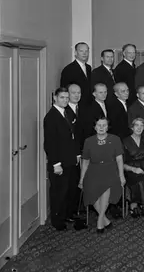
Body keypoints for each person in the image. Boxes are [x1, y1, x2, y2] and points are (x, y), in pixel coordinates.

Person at [79, 116, 125, 233]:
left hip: (110, 170)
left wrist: (121, 175)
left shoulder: (115, 139)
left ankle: (100, 222)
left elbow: (119, 159)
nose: (101, 127)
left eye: (104, 125)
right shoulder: (88, 141)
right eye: (99, 125)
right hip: (93, 171)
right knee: (90, 190)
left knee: (106, 187)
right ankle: (105, 219)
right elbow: (85, 161)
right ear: (95, 127)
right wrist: (81, 179)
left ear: (108, 127)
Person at [44, 87, 81, 231]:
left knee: (70, 189)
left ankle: (67, 214)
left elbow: (73, 136)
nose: (65, 100)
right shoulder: (51, 117)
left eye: (67, 97)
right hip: (59, 162)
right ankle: (57, 221)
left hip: (70, 159)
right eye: (62, 97)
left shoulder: (67, 113)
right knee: (59, 192)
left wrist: (76, 154)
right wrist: (56, 164)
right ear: (55, 98)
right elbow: (50, 143)